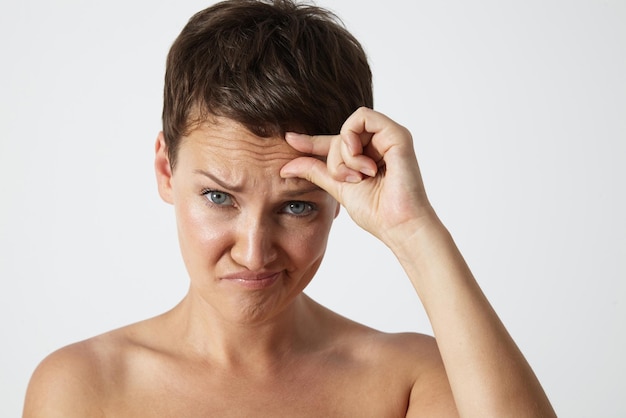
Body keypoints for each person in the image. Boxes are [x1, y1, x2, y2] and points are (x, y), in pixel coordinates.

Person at [23, 1, 556, 416]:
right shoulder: (83, 386)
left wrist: (412, 231)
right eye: (218, 198)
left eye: (297, 206)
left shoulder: (408, 382)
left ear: (343, 191)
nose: (254, 252)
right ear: (167, 170)